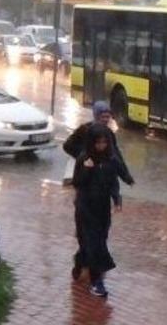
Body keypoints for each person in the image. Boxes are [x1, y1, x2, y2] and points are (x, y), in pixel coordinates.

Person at [72, 124, 121, 297]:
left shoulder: (110, 160)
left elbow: (113, 182)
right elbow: (77, 182)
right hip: (85, 209)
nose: (101, 146)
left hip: (102, 209)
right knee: (95, 245)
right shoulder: (84, 158)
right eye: (98, 143)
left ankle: (80, 261)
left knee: (97, 241)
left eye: (104, 143)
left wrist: (117, 200)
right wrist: (87, 169)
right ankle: (96, 281)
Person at [64, 101, 134, 208]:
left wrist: (126, 176)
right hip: (87, 178)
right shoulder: (84, 129)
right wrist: (84, 156)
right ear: (96, 116)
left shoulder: (109, 133)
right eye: (103, 117)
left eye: (108, 117)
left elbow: (116, 156)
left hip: (102, 179)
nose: (106, 119)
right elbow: (67, 146)